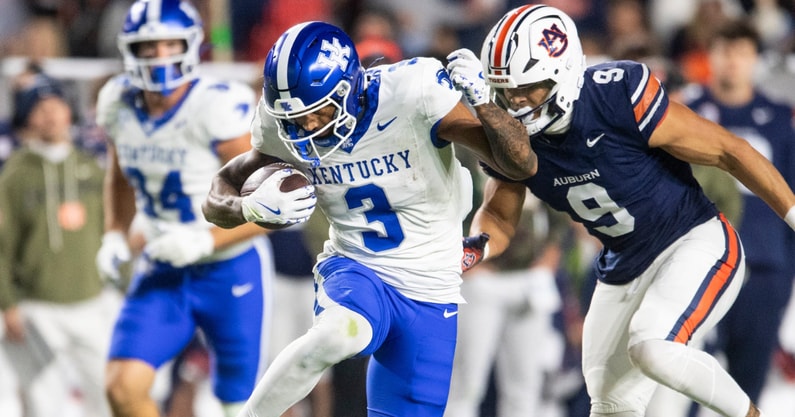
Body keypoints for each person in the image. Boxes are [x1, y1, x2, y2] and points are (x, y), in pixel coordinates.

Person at [449, 4, 795, 417]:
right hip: (623, 263)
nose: (516, 102)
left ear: (561, 74)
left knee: (654, 347)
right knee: (610, 404)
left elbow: (730, 150)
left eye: (529, 88)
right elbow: (501, 216)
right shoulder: (508, 129)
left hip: (692, 239)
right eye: (506, 91)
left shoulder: (614, 95)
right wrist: (475, 247)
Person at [201, 20, 531, 417]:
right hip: (357, 266)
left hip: (430, 287)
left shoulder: (415, 92)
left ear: (350, 90)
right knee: (337, 335)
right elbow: (218, 195)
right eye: (294, 119)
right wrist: (246, 209)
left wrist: (484, 104)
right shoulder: (281, 125)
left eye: (317, 113)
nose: (306, 129)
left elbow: (520, 165)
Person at [94, 1, 274, 416]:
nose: (161, 57)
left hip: (229, 265)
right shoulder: (118, 102)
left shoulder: (214, 105)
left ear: (191, 45)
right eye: (149, 47)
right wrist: (114, 232)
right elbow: (119, 176)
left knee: (238, 404)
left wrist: (204, 240)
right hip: (163, 265)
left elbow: (273, 205)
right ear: (130, 51)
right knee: (122, 387)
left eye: (170, 44)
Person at [682, 19, 795, 413]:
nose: (732, 61)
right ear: (710, 56)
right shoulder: (686, 112)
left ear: (755, 59)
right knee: (687, 378)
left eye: (741, 52)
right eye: (724, 50)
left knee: (749, 382)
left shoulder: (780, 116)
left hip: (764, 264)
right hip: (698, 263)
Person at [0, 65, 120, 417]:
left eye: (56, 104)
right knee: (42, 404)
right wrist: (8, 303)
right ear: (27, 117)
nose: (50, 115)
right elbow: (1, 245)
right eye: (39, 107)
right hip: (37, 308)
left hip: (92, 301)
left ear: (70, 110)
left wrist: (121, 286)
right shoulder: (14, 176)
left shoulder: (91, 167)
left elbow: (111, 230)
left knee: (108, 395)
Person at [444, 190, 570, 417]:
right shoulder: (468, 155)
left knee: (525, 385)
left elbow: (558, 207)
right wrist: (460, 259)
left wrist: (551, 250)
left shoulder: (539, 155)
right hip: (482, 280)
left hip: (530, 279)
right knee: (466, 383)